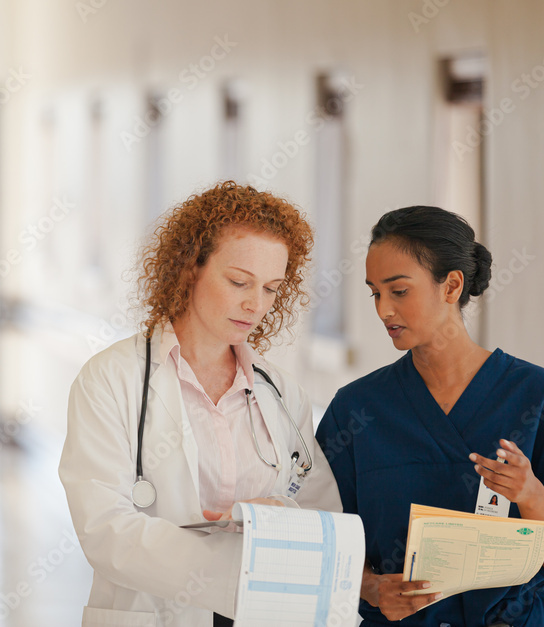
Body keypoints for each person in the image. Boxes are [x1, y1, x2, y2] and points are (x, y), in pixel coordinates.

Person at [59, 181, 342, 627]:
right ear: (189, 267)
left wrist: (280, 516)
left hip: (266, 614)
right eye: (238, 282)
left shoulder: (281, 393)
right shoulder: (111, 379)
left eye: (271, 288)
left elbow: (324, 517)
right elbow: (105, 530)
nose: (256, 304)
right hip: (157, 613)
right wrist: (237, 575)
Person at [316, 206, 544, 626]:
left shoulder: (542, 398)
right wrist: (372, 588)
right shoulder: (356, 410)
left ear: (451, 286)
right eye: (375, 292)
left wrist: (530, 494)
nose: (383, 311)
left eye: (398, 291)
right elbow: (328, 541)